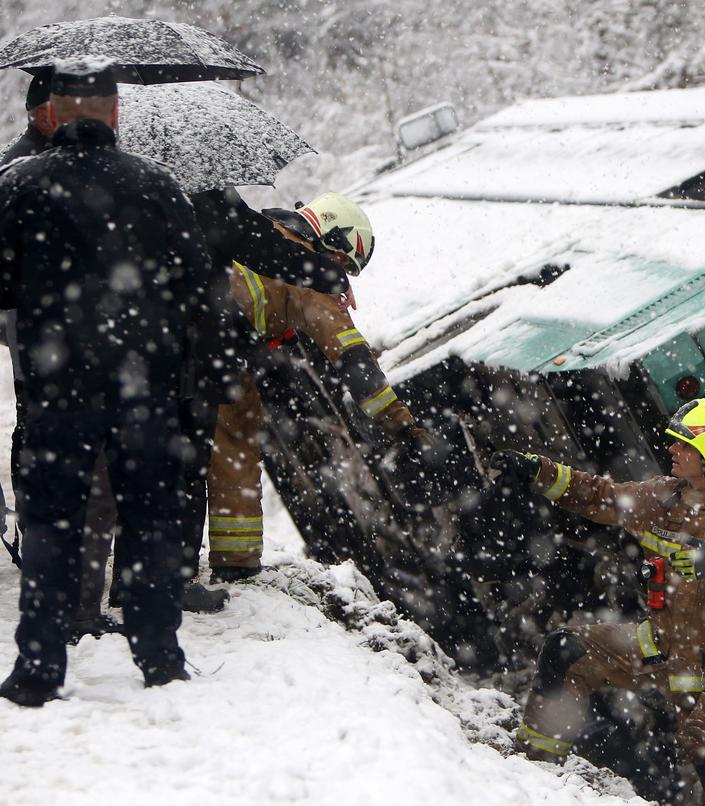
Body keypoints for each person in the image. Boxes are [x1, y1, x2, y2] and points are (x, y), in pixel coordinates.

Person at [1, 70, 355, 619]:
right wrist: (322, 274)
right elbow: (247, 242)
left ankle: (80, 587)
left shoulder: (73, 181)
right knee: (176, 463)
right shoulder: (180, 187)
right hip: (179, 347)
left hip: (96, 349)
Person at [490, 397, 705, 806]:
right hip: (655, 648)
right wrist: (538, 470)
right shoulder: (663, 495)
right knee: (566, 651)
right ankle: (534, 773)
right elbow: (599, 497)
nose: (672, 449)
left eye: (684, 443)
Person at [0, 61, 211, 705]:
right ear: (116, 114)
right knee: (150, 519)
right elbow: (198, 291)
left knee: (51, 522)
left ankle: (39, 666)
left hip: (55, 391)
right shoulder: (159, 187)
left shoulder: (16, 188)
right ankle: (160, 656)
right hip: (142, 390)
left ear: (54, 114)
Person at [206, 192, 440, 582]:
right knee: (236, 454)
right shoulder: (307, 275)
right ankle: (236, 566)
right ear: (332, 237)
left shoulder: (259, 228)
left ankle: (154, 568)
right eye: (343, 261)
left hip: (175, 347)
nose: (340, 273)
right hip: (225, 364)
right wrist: (403, 425)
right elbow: (353, 360)